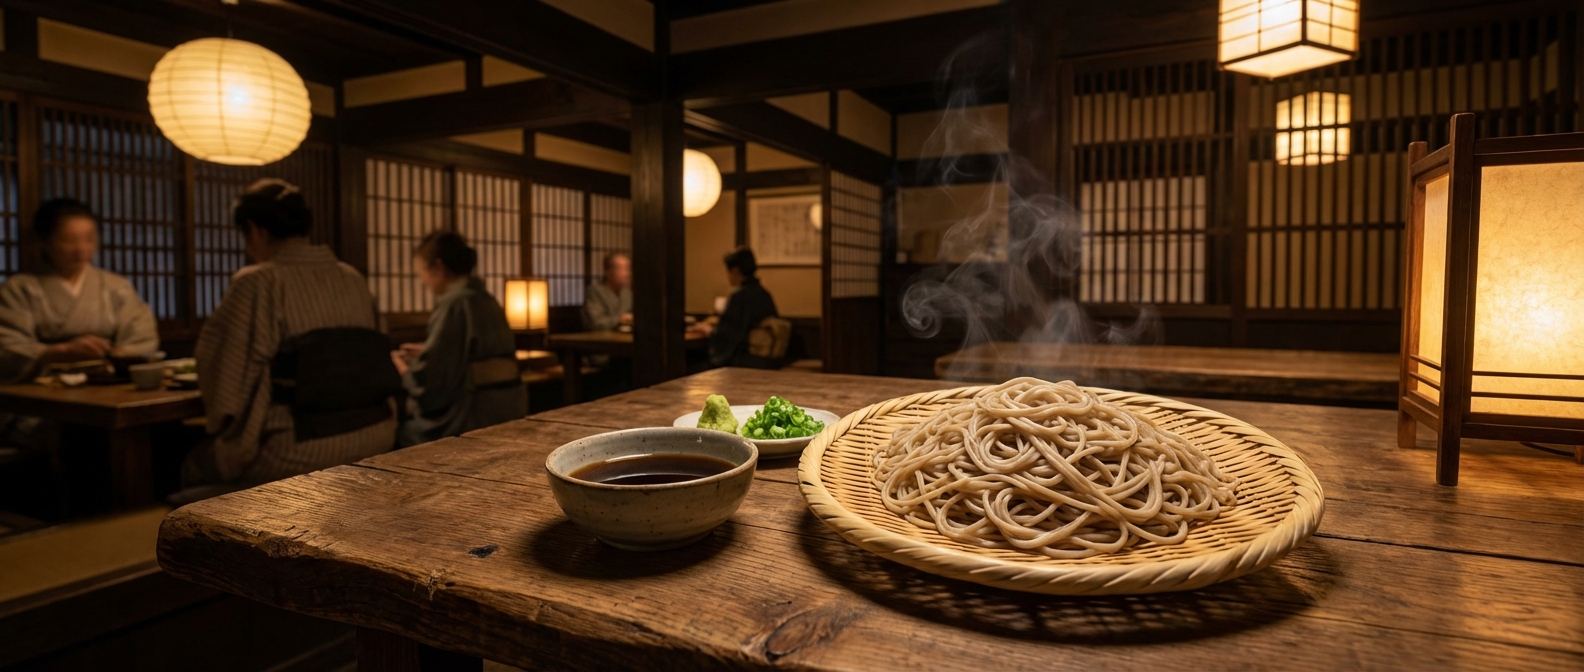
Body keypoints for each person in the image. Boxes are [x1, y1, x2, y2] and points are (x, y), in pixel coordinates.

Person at [183, 179, 398, 488]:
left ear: (255, 229)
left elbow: (224, 383)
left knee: (191, 463)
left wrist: (222, 421)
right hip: (377, 434)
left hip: (296, 449)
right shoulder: (352, 278)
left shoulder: (257, 282)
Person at [0, 198, 159, 384]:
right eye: (69, 240)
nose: (82, 249)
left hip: (105, 384)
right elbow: (8, 347)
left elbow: (142, 338)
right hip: (41, 388)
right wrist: (59, 352)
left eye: (89, 239)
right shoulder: (20, 288)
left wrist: (112, 355)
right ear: (44, 241)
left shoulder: (116, 286)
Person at [393, 230, 525, 447]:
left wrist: (404, 370)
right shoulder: (486, 298)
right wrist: (427, 351)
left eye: (422, 273)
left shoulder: (455, 303)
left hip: (472, 413)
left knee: (404, 432)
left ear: (438, 268)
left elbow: (432, 379)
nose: (423, 281)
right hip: (509, 405)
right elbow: (472, 354)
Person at [693, 247, 779, 368]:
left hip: (743, 359)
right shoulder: (764, 294)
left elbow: (727, 335)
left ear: (735, 271)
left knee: (694, 364)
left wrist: (709, 330)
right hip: (764, 360)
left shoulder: (739, 296)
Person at [583, 252, 632, 332]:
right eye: (620, 269)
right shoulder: (595, 290)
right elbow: (595, 323)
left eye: (627, 268)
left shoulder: (627, 292)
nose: (627, 274)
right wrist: (621, 319)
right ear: (607, 272)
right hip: (601, 337)